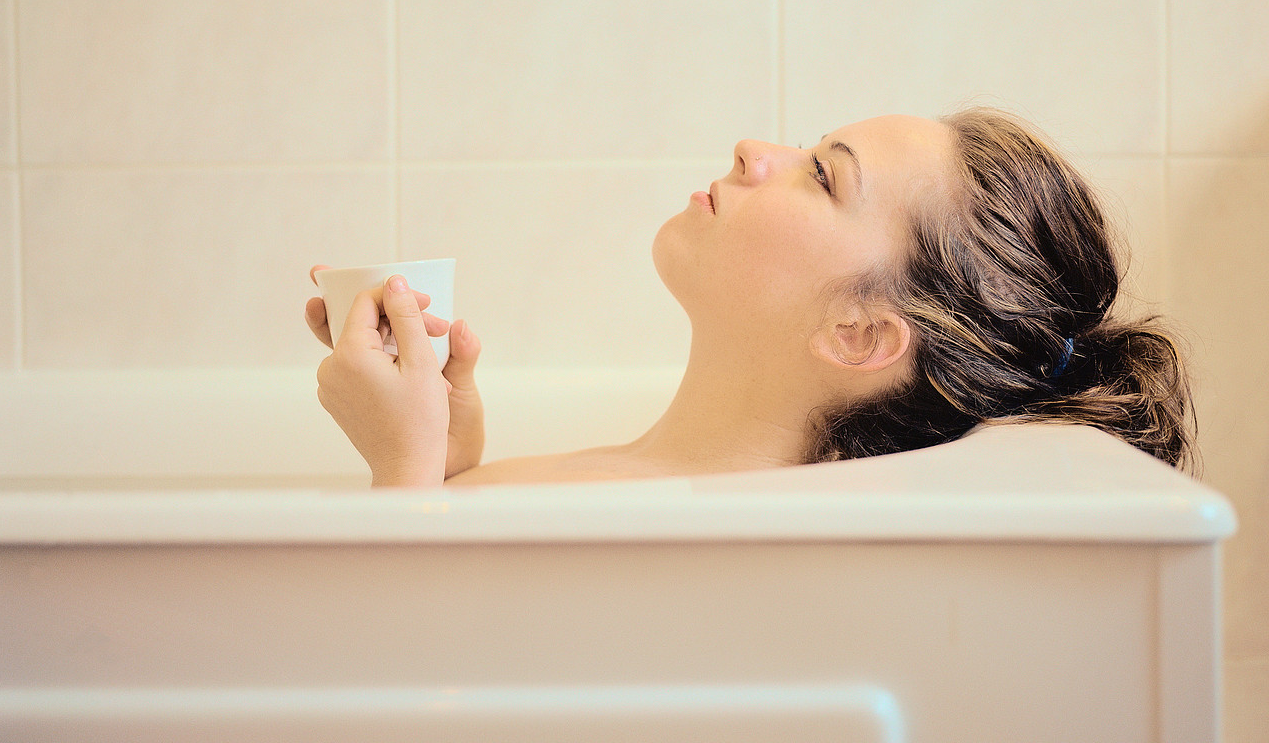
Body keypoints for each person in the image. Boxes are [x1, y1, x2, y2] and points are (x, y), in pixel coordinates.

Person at [306, 108, 1196, 488]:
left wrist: (405, 478)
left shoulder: (710, 556)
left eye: (820, 176)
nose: (751, 150)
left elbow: (405, 732)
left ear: (858, 334)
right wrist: (449, 460)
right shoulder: (651, 488)